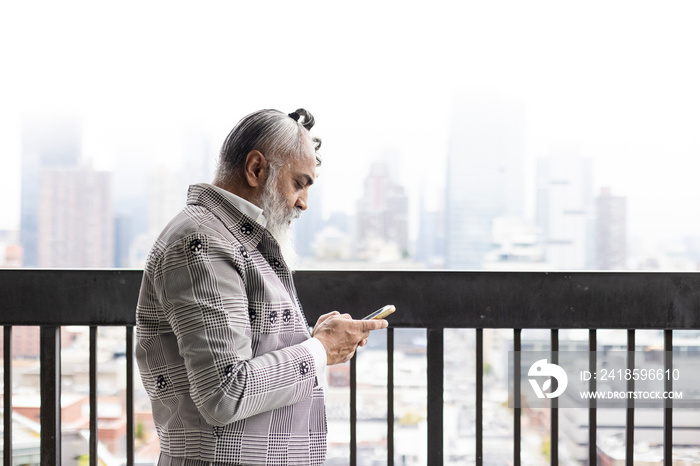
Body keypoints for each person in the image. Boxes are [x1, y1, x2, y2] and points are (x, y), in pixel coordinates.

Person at [135, 108, 387, 466]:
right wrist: (320, 350)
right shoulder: (203, 242)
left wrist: (313, 340)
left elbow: (239, 355)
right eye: (299, 183)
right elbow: (225, 392)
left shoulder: (226, 237)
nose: (303, 202)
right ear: (256, 169)